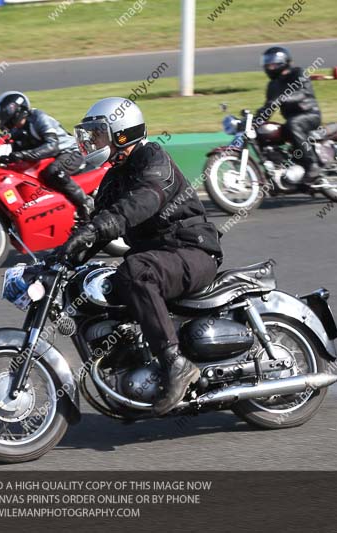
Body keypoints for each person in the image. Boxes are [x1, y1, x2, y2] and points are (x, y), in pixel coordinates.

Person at [62, 97, 223, 415]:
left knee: (135, 272)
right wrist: (63, 256)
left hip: (191, 251)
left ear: (122, 134)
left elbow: (144, 200)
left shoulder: (153, 159)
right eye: (90, 136)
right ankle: (126, 364)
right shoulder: (113, 178)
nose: (92, 142)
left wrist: (99, 228)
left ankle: (176, 363)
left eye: (98, 134)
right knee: (90, 284)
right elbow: (102, 227)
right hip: (162, 259)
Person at [0, 91, 94, 219]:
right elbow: (16, 156)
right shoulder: (16, 131)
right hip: (51, 157)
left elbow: (52, 146)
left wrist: (23, 154)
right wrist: (3, 161)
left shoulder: (38, 117)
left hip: (71, 151)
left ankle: (85, 203)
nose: (3, 117)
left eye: (6, 112)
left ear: (19, 109)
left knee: (53, 171)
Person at [256, 46, 323, 185]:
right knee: (264, 130)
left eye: (273, 63)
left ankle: (312, 165)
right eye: (267, 63)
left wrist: (282, 98)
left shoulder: (298, 73)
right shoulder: (272, 85)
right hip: (291, 120)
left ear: (283, 62)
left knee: (293, 124)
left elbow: (302, 93)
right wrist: (255, 120)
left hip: (309, 114)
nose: (269, 66)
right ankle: (276, 168)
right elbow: (269, 106)